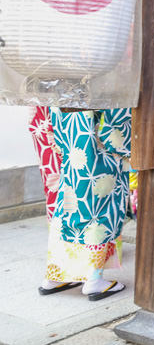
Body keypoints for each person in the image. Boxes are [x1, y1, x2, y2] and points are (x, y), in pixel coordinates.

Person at [39, 108, 132, 300]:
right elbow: (115, 118)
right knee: (100, 214)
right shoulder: (104, 76)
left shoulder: (67, 78)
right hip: (99, 156)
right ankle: (93, 280)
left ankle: (55, 275)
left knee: (67, 213)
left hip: (73, 152)